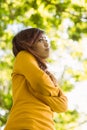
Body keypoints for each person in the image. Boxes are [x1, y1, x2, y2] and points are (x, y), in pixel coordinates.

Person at [4, 28, 68, 130]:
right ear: (27, 44)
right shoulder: (23, 56)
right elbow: (40, 82)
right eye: (40, 40)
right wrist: (51, 95)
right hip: (25, 124)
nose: (46, 44)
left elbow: (63, 105)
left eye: (46, 39)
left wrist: (39, 94)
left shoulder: (48, 74)